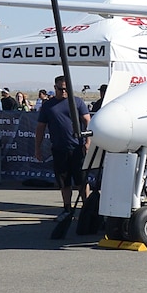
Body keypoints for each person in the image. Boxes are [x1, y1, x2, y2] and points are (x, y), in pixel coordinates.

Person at [36, 75, 90, 210]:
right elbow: (40, 128)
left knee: (81, 181)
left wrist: (88, 142)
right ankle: (67, 208)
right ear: (55, 88)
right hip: (59, 148)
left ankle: (87, 208)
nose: (64, 92)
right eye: (61, 89)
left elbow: (88, 122)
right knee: (64, 181)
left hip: (77, 148)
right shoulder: (48, 106)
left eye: (67, 89)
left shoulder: (77, 102)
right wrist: (37, 148)